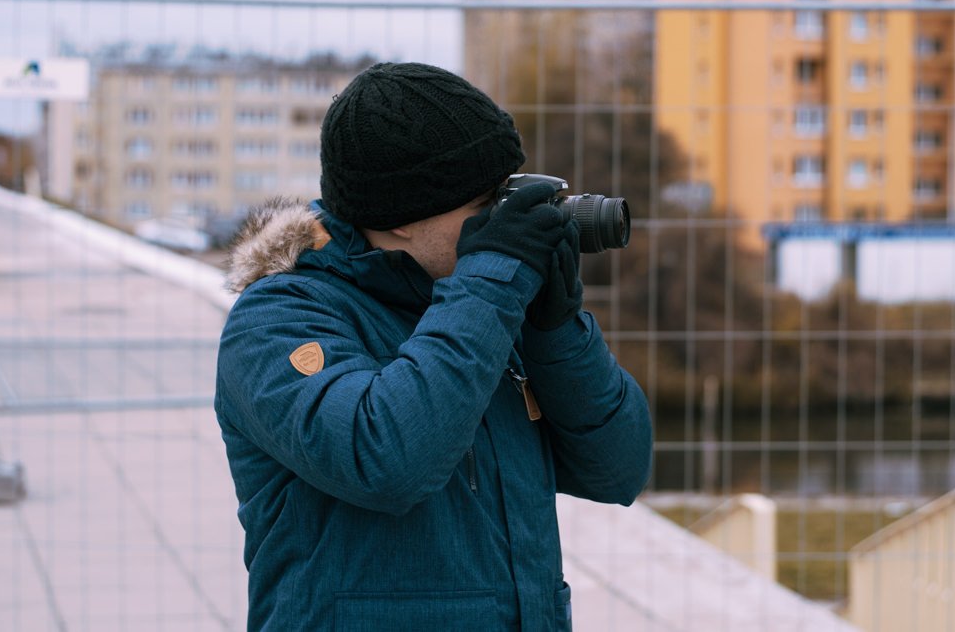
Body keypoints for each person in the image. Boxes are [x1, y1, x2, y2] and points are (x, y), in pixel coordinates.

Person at [214, 61, 653, 631]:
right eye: (484, 207)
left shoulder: (480, 307)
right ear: (398, 219)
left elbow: (618, 470)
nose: (503, 223)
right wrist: (493, 280)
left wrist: (557, 332)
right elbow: (385, 459)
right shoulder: (277, 319)